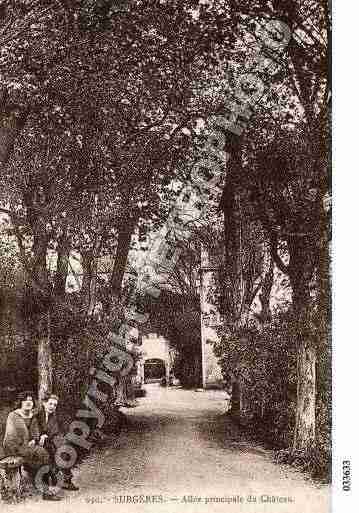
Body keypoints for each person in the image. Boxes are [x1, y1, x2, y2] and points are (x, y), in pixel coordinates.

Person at [2, 391, 61, 501]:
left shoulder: (32, 414)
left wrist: (34, 439)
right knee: (42, 453)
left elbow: (34, 432)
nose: (28, 403)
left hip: (27, 447)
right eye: (25, 401)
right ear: (21, 402)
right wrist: (27, 443)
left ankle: (44, 486)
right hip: (14, 447)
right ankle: (46, 491)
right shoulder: (14, 415)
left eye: (30, 401)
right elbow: (11, 437)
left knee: (43, 454)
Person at [36, 393, 79, 491]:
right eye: (50, 404)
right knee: (53, 450)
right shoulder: (37, 414)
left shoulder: (52, 416)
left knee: (64, 448)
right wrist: (40, 436)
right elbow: (31, 429)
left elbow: (54, 432)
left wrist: (58, 441)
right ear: (44, 403)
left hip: (48, 441)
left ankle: (66, 480)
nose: (52, 407)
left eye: (55, 405)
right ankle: (56, 478)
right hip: (36, 441)